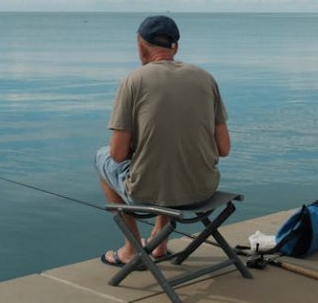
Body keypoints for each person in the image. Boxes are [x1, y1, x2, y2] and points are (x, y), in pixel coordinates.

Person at [95, 15, 231, 266]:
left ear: (140, 46)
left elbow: (117, 154)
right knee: (168, 156)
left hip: (148, 194)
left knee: (101, 157)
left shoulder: (133, 80)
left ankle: (131, 249)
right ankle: (160, 244)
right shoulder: (205, 78)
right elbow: (224, 149)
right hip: (204, 192)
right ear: (175, 47)